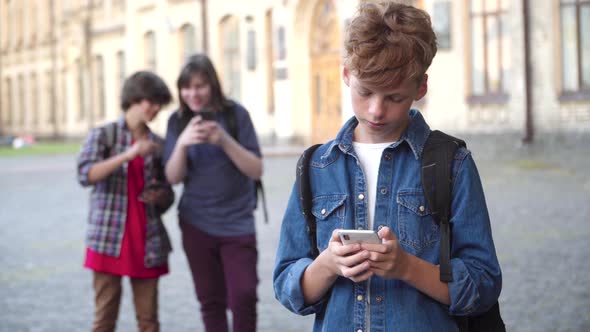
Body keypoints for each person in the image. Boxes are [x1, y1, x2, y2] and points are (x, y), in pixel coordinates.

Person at [273, 2, 502, 331]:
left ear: (420, 87)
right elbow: (287, 286)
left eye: (394, 97)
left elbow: (483, 283)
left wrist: (407, 267)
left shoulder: (452, 163)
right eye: (365, 92)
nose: (376, 110)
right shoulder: (316, 167)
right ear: (346, 75)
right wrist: (328, 264)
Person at [163, 54, 262, 332]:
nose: (193, 94)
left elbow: (256, 169)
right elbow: (172, 177)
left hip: (237, 223)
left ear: (213, 85)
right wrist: (182, 144)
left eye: (200, 86)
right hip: (196, 225)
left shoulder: (235, 115)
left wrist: (224, 140)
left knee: (244, 297)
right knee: (211, 301)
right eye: (187, 87)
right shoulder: (178, 121)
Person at [77, 71, 174, 332]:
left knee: (149, 322)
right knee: (104, 320)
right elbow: (85, 174)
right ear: (133, 99)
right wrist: (128, 155)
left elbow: (168, 195)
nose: (155, 109)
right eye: (150, 102)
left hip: (147, 241)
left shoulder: (159, 144)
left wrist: (161, 195)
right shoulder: (103, 135)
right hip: (107, 239)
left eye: (159, 104)